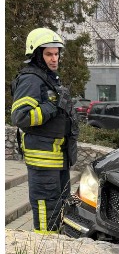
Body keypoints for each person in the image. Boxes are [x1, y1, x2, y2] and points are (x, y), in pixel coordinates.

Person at [10, 28, 78, 234]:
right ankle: (44, 253)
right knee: (45, 210)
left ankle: (55, 249)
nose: (54, 58)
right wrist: (52, 106)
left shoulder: (48, 78)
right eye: (49, 54)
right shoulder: (31, 79)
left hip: (57, 158)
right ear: (37, 55)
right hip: (43, 160)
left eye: (56, 54)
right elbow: (20, 117)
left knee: (59, 208)